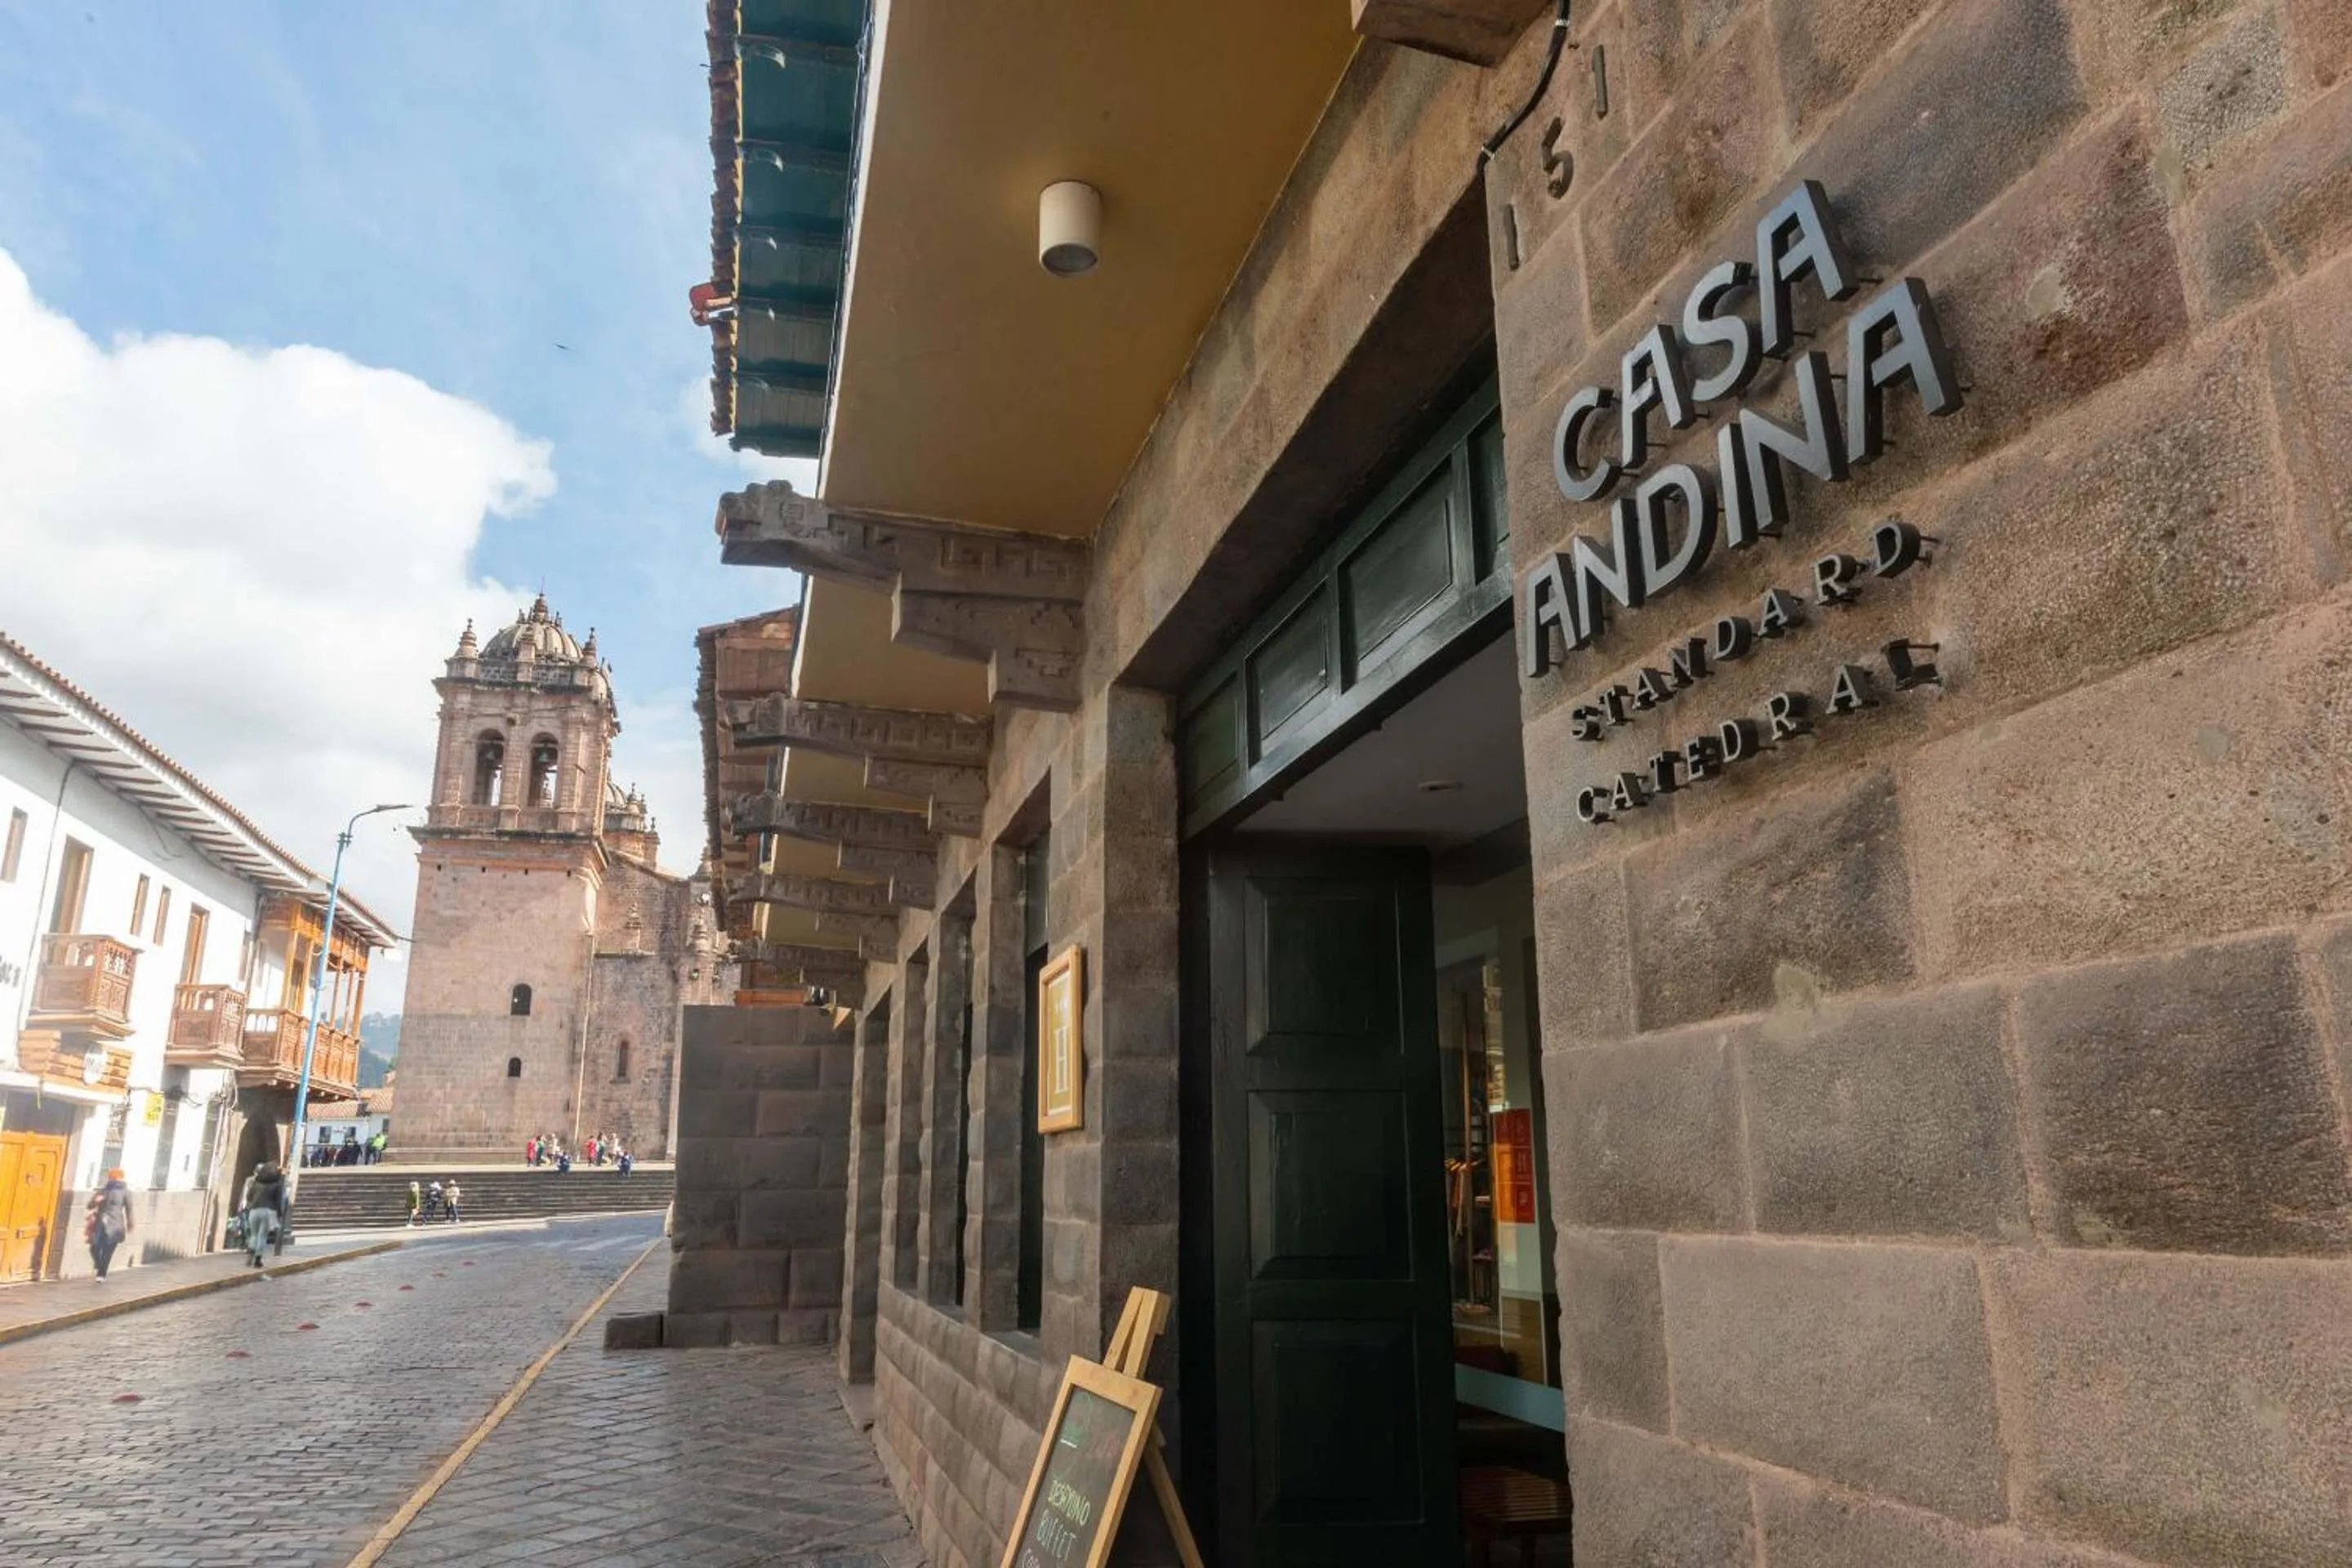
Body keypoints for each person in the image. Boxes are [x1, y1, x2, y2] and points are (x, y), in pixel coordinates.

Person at [84, 1168, 134, 1281]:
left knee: (108, 1250)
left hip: (115, 1225)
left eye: (115, 1177)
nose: (112, 1179)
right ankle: (99, 1265)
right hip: (100, 1224)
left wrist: (130, 1224)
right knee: (94, 1248)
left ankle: (101, 1274)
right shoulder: (103, 1190)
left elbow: (129, 1209)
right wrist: (96, 1201)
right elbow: (89, 1206)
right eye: (111, 1177)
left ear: (120, 1178)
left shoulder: (126, 1192)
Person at [239, 1162, 287, 1268]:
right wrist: (279, 1212)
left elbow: (249, 1196)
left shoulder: (257, 1182)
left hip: (254, 1210)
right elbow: (278, 1201)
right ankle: (258, 1259)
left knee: (254, 1234)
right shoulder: (277, 1184)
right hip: (268, 1211)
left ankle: (251, 1250)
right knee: (262, 1235)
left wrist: (252, 1204)